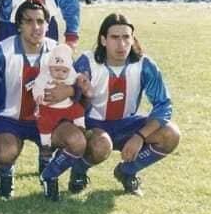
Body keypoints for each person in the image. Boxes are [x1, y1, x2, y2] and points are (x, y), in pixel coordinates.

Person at [0, 0, 86, 200]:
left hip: (49, 119)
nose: (35, 27)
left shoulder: (58, 51)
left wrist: (71, 90)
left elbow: (79, 83)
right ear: (19, 25)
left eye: (40, 21)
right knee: (5, 151)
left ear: (47, 24)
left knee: (77, 141)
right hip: (10, 120)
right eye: (28, 21)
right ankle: (5, 173)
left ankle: (49, 174)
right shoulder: (2, 51)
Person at [71, 13, 181, 196]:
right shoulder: (87, 62)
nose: (121, 45)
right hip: (94, 126)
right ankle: (79, 170)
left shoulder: (145, 65)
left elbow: (163, 104)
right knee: (101, 145)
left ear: (132, 39)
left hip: (128, 125)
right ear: (103, 40)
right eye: (114, 37)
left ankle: (127, 171)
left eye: (126, 37)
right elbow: (71, 101)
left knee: (171, 134)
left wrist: (140, 136)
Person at [32, 43, 85, 200]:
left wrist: (76, 86)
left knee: (78, 110)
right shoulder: (45, 75)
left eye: (64, 71)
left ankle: (81, 126)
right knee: (45, 124)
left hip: (66, 106)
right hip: (49, 108)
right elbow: (37, 87)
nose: (60, 73)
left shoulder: (70, 74)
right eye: (56, 70)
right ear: (50, 67)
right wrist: (39, 96)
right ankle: (46, 145)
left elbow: (79, 82)